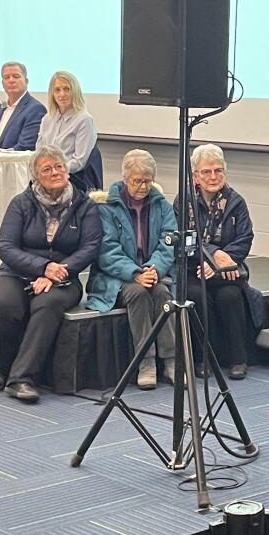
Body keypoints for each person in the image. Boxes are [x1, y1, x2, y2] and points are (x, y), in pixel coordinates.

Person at [0, 145, 102, 403]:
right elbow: (5, 246)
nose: (55, 172)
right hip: (17, 272)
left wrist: (56, 272)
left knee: (47, 305)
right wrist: (41, 268)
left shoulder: (84, 206)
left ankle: (22, 378)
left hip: (64, 277)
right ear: (36, 176)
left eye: (59, 166)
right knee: (4, 304)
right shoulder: (21, 203)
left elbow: (91, 247)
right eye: (46, 169)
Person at [86, 149, 178, 390]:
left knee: (161, 294)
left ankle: (171, 360)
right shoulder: (105, 208)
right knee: (137, 293)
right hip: (116, 278)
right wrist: (135, 273)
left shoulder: (162, 206)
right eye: (137, 181)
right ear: (125, 179)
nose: (143, 186)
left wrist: (153, 269)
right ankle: (145, 362)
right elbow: (106, 251)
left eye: (148, 181)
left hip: (152, 274)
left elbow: (167, 243)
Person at [177, 143, 262, 380]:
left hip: (228, 270)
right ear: (195, 176)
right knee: (197, 296)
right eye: (206, 171)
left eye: (218, 170)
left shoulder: (236, 202)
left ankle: (238, 359)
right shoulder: (183, 202)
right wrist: (213, 254)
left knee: (230, 296)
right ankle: (204, 358)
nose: (213, 176)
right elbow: (183, 241)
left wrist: (224, 261)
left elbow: (245, 238)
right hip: (195, 269)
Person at [36, 71, 100, 191]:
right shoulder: (47, 119)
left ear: (74, 91)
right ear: (52, 94)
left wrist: (55, 172)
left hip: (72, 181)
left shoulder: (84, 120)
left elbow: (79, 161)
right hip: (47, 179)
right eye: (57, 90)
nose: (62, 94)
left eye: (67, 89)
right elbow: (39, 152)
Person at [0, 62, 47, 151]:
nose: (11, 80)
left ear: (26, 81)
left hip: (9, 162)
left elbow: (25, 146)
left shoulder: (35, 109)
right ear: (3, 84)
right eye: (6, 77)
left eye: (16, 76)